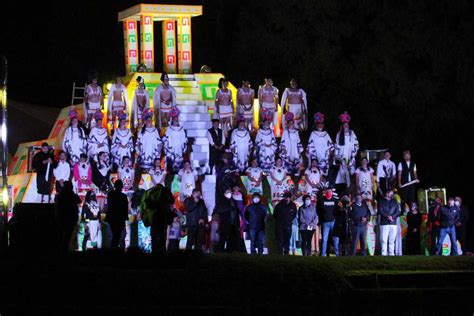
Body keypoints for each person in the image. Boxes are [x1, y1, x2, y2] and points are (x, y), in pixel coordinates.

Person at [140, 183, 175, 254]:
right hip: (163, 217)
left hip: (153, 217)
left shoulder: (149, 192)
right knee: (162, 238)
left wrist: (145, 218)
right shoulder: (166, 191)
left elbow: (143, 206)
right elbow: (172, 201)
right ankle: (162, 255)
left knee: (154, 237)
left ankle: (154, 255)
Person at [55, 181, 81, 252]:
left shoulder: (61, 195)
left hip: (63, 218)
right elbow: (79, 200)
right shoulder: (71, 195)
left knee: (63, 236)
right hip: (69, 218)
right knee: (67, 236)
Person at [105, 180, 129, 249]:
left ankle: (113, 249)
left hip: (112, 218)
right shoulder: (124, 196)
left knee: (113, 236)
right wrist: (125, 217)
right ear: (121, 187)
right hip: (120, 218)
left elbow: (109, 206)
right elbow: (125, 208)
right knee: (118, 235)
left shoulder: (110, 194)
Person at [163, 108, 187, 173]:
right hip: (171, 150)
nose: (176, 120)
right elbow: (165, 139)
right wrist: (168, 148)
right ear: (172, 120)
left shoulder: (181, 129)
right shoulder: (169, 129)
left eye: (177, 119)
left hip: (179, 149)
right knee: (171, 167)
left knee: (179, 167)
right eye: (174, 119)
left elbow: (184, 139)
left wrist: (184, 147)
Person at [318, 188, 339, 256]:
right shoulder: (321, 200)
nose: (328, 192)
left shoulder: (335, 200)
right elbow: (318, 211)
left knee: (335, 239)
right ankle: (323, 254)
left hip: (333, 222)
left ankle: (337, 254)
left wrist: (336, 219)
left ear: (332, 192)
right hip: (325, 223)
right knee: (324, 240)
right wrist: (321, 219)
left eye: (330, 191)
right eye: (327, 191)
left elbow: (338, 210)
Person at [379, 190, 401, 256]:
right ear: (387, 193)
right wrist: (387, 217)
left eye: (392, 193)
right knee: (384, 240)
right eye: (390, 193)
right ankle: (384, 253)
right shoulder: (381, 201)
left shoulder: (395, 201)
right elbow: (380, 211)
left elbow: (398, 211)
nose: (392, 194)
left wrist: (392, 217)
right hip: (384, 223)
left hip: (393, 223)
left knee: (392, 240)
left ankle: (391, 253)